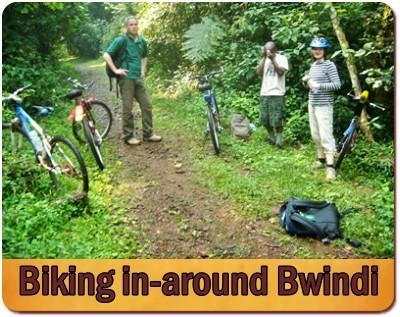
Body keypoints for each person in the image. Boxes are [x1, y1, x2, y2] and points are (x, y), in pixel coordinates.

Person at [103, 16, 162, 145]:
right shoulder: (121, 40)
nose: (134, 26)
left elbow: (144, 56)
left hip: (138, 78)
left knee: (147, 105)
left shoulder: (142, 41)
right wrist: (116, 70)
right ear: (126, 27)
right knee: (127, 108)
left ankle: (148, 134)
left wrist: (143, 69)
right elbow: (106, 55)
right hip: (126, 79)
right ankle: (128, 136)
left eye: (135, 24)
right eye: (131, 25)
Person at [303, 37, 341, 181]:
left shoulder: (329, 65)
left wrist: (319, 86)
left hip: (324, 105)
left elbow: (337, 85)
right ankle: (321, 160)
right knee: (315, 134)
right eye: (314, 49)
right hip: (312, 103)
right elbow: (311, 86)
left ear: (325, 51)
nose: (316, 51)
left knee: (326, 135)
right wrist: (306, 83)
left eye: (319, 49)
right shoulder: (313, 65)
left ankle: (331, 167)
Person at [257, 41, 289, 148]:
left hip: (277, 92)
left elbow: (280, 73)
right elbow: (259, 73)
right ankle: (272, 138)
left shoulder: (282, 58)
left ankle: (279, 140)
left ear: (275, 50)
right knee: (264, 118)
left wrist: (273, 60)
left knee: (278, 118)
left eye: (270, 50)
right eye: (266, 50)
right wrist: (264, 58)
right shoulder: (264, 59)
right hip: (265, 92)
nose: (268, 52)